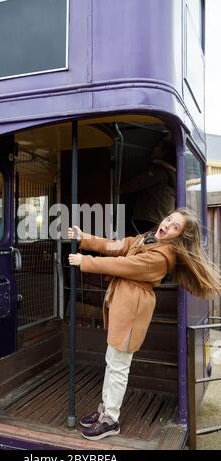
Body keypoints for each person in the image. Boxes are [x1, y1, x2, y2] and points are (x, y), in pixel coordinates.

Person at [68, 208, 221, 441]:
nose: (167, 225)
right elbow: (117, 246)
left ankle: (111, 420)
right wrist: (85, 238)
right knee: (112, 361)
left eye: (175, 227)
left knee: (118, 365)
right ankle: (105, 410)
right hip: (122, 304)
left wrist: (85, 261)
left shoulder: (161, 258)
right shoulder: (148, 238)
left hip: (132, 311)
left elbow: (123, 264)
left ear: (179, 237)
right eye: (169, 219)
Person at [118, 133, 176, 233]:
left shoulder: (159, 171)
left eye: (158, 147)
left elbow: (138, 183)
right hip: (160, 215)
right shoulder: (170, 171)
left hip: (151, 216)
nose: (154, 149)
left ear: (164, 152)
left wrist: (117, 189)